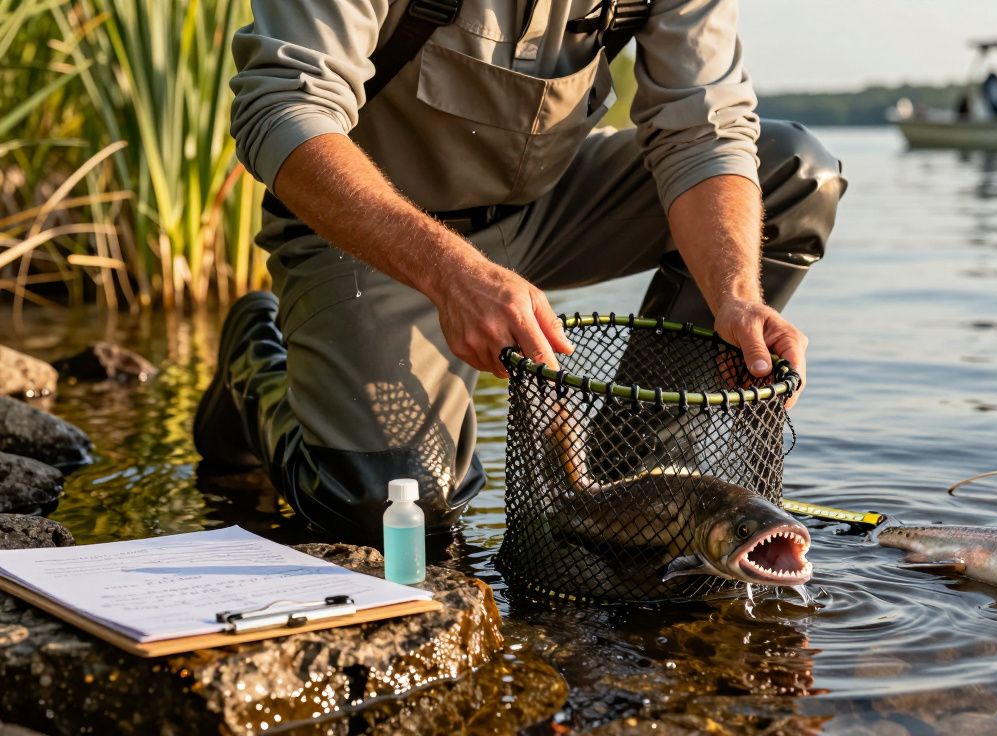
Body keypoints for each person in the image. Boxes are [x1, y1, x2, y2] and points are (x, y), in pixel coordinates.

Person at [193, 0, 845, 545]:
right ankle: (257, 357)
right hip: (374, 228)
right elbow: (281, 109)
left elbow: (704, 132)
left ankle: (628, 491)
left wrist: (732, 294)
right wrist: (450, 273)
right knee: (394, 510)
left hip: (549, 205)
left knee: (793, 174)